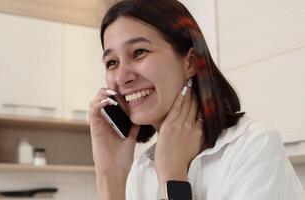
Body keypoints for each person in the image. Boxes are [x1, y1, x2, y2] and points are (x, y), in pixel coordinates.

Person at [88, 0, 305, 199]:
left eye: (139, 52)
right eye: (112, 62)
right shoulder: (142, 171)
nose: (122, 77)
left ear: (190, 62)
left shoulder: (254, 147)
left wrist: (173, 180)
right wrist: (111, 178)